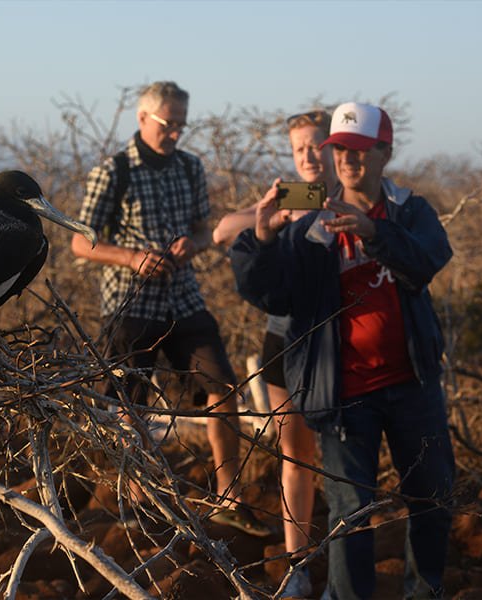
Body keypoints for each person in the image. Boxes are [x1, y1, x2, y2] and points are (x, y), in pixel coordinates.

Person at [229, 102, 455, 599]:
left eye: (360, 151)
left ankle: (426, 592)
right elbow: (271, 295)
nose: (348, 161)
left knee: (432, 500)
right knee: (351, 516)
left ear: (384, 152)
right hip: (345, 396)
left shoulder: (407, 210)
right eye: (341, 151)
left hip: (412, 385)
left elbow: (430, 258)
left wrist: (375, 234)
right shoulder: (309, 226)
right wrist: (263, 236)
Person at [71, 81, 270, 535]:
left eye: (182, 124)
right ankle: (142, 506)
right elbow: (80, 242)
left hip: (183, 297)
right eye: (169, 124)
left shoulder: (190, 168)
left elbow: (205, 230)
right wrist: (131, 257)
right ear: (143, 119)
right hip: (130, 301)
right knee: (131, 403)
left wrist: (193, 244)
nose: (177, 132)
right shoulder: (112, 171)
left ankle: (229, 498)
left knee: (222, 385)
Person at [213, 109, 336, 598]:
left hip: (339, 342)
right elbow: (225, 230)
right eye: (299, 148)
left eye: (317, 145)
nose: (308, 156)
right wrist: (276, 215)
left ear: (335, 145)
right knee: (296, 454)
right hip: (285, 342)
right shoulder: (294, 194)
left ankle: (344, 570)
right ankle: (297, 568)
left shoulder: (352, 193)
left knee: (350, 457)